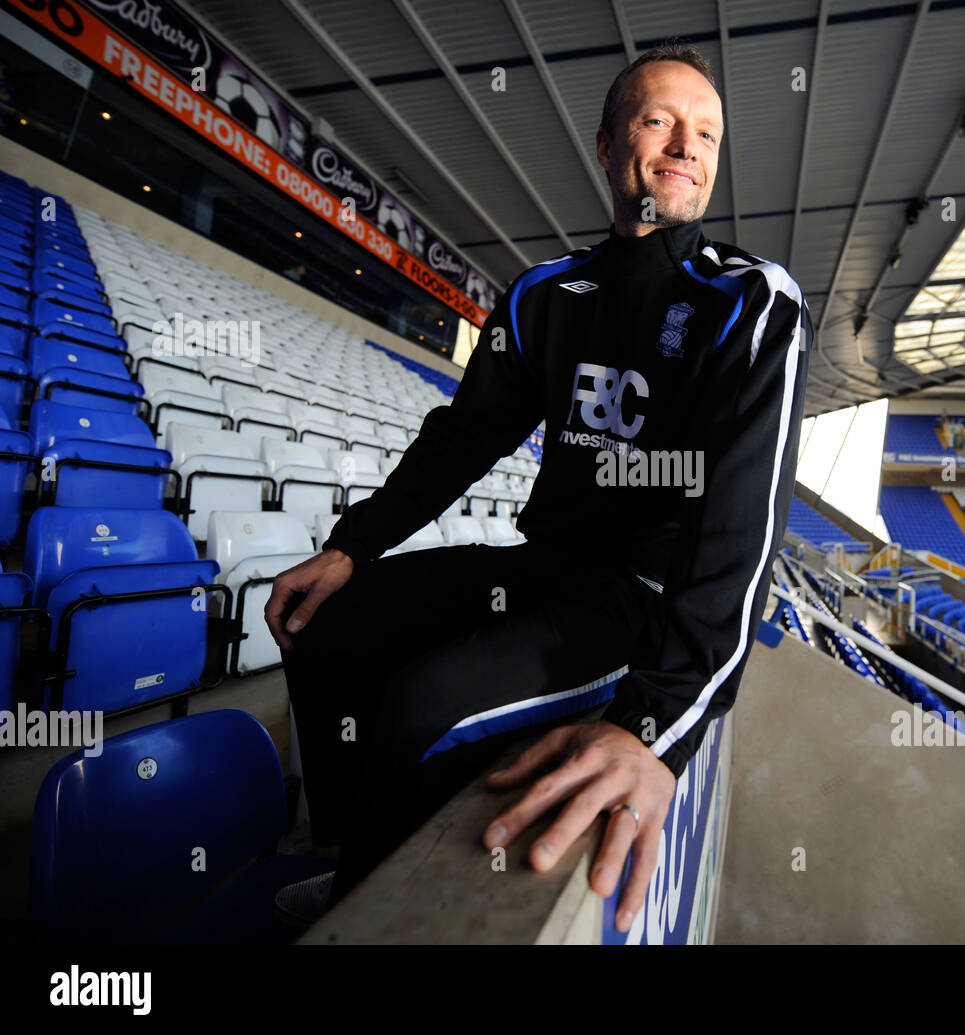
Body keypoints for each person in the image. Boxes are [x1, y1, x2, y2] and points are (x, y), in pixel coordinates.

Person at [266, 40, 811, 935]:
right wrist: (351, 546)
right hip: (539, 572)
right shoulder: (544, 296)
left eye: (707, 133)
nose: (686, 145)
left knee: (419, 706)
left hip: (635, 605)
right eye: (659, 121)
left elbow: (742, 533)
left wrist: (659, 724)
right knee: (321, 616)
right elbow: (462, 440)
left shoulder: (752, 304)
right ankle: (348, 862)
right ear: (606, 148)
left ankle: (367, 913)